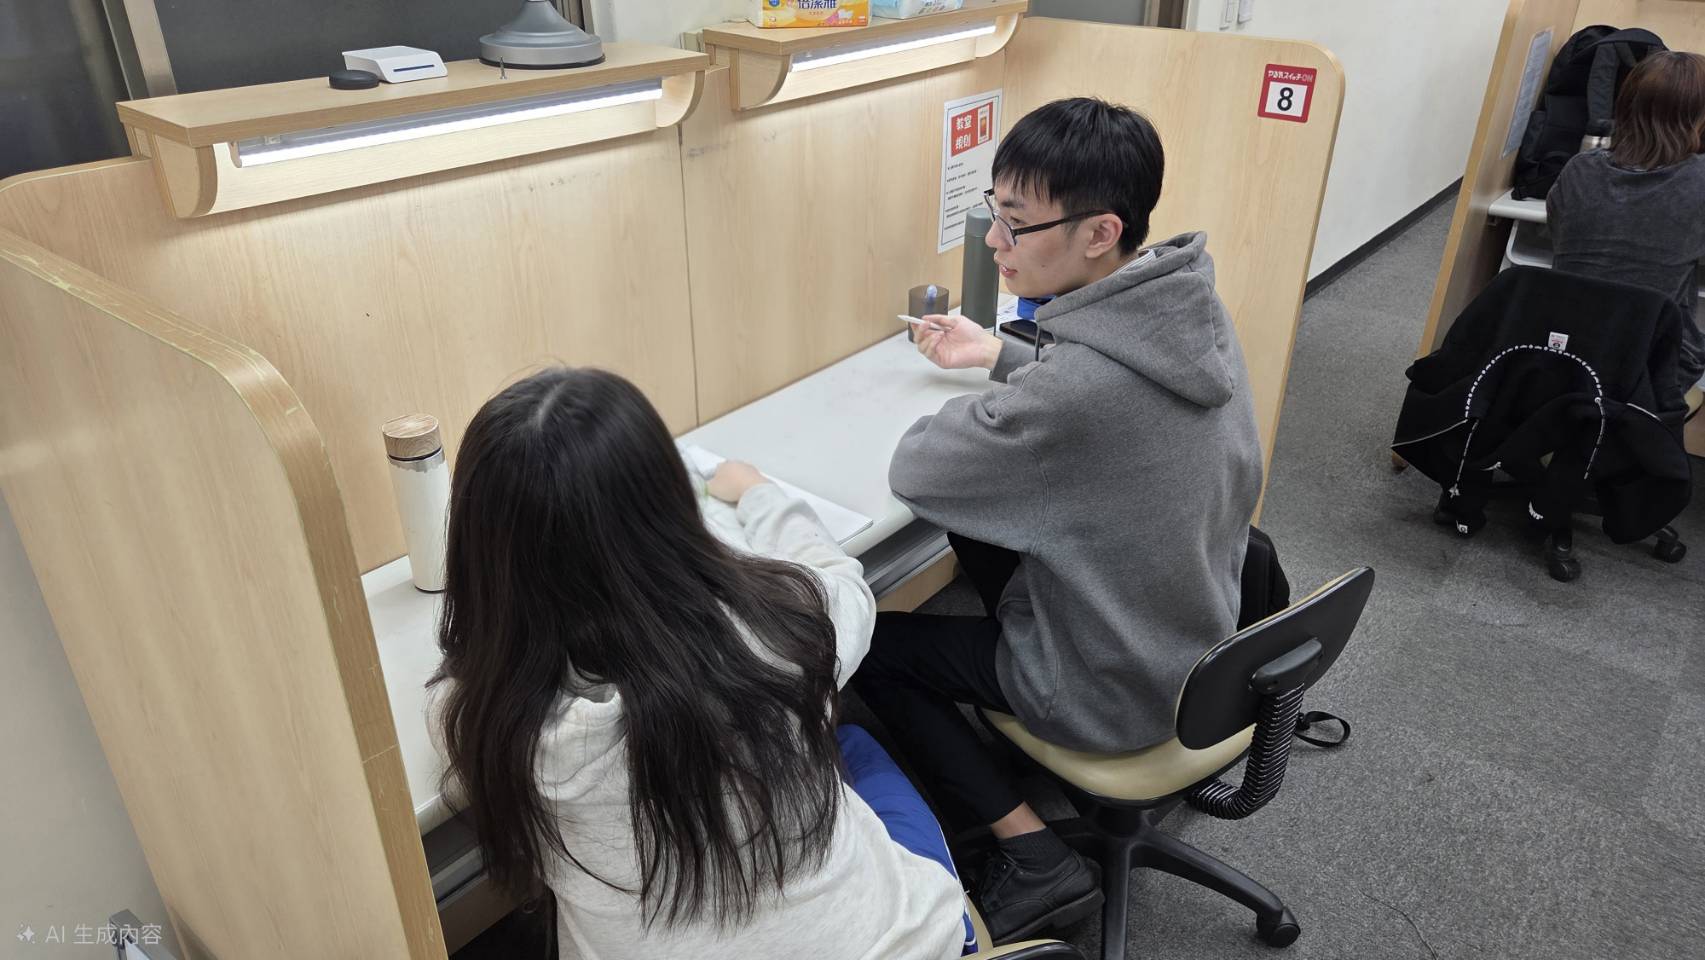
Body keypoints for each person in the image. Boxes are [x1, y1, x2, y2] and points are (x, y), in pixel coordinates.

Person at [850, 98, 1263, 942]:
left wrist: (1016, 392)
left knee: (869, 647)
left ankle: (1031, 852)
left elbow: (919, 468)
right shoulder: (1189, 308)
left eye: (1015, 223)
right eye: (993, 214)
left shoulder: (1075, 396)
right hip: (1196, 631)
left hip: (1112, 683)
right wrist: (1002, 354)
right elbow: (1098, 389)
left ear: (1099, 232)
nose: (994, 242)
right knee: (981, 528)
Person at [428, 367, 973, 960]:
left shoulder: (482, 715)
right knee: (856, 748)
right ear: (669, 510)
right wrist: (760, 494)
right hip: (895, 947)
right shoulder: (777, 632)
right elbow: (846, 585)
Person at [1549, 50, 1705, 393]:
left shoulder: (1578, 169)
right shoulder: (1699, 181)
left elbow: (1560, 237)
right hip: (1654, 367)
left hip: (1562, 351)